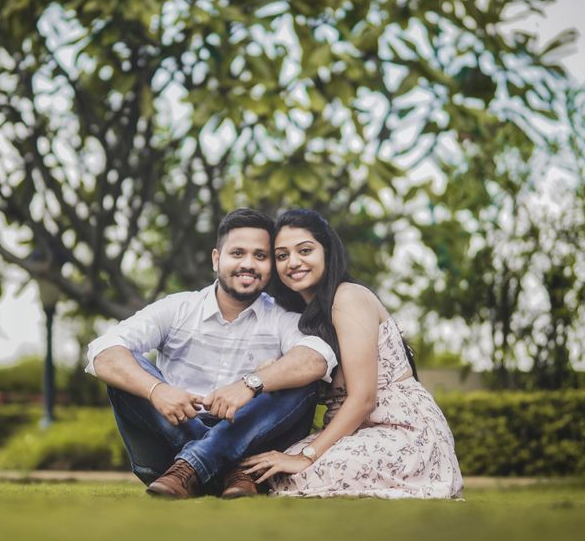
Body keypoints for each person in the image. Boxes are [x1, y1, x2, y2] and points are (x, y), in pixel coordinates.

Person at [86, 208, 337, 499]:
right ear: (217, 259)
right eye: (238, 253)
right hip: (175, 461)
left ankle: (195, 466)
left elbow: (317, 358)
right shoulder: (178, 308)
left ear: (270, 266)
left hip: (248, 455)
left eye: (260, 256)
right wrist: (157, 391)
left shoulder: (282, 317)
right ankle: (224, 466)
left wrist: (251, 384)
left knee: (299, 379)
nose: (248, 264)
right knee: (128, 367)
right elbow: (102, 351)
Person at [242, 209, 464, 499]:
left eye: (305, 250)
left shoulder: (348, 297)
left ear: (327, 251)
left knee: (305, 473)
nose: (293, 262)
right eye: (282, 256)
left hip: (404, 432)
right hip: (353, 433)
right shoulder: (298, 320)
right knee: (268, 470)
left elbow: (363, 399)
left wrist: (307, 456)